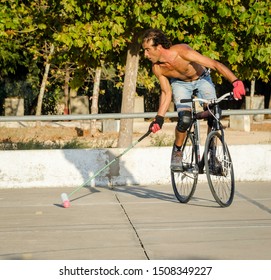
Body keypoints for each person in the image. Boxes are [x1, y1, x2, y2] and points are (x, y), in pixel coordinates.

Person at [142, 28, 245, 171]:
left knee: (214, 114)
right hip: (180, 84)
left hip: (202, 79)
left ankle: (211, 154)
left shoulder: (183, 52)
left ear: (158, 47)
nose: (145, 54)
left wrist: (236, 81)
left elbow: (214, 64)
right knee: (184, 119)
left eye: (147, 49)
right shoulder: (157, 68)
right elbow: (166, 93)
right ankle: (177, 152)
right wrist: (159, 118)